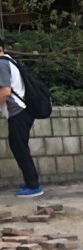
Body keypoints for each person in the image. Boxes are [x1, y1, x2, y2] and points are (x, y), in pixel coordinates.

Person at [0, 40, 42, 197]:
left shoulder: (1, 64)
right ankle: (31, 183)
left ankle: (33, 186)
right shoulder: (10, 61)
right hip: (22, 111)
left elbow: (5, 92)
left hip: (18, 112)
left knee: (19, 147)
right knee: (19, 146)